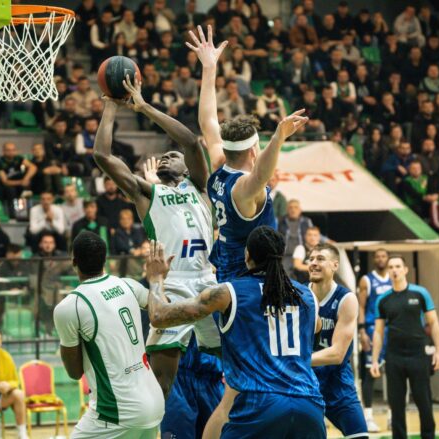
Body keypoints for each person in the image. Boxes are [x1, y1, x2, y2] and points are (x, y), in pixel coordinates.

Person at [93, 76, 223, 438]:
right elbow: (102, 156)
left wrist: (143, 106)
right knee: (160, 386)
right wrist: (110, 106)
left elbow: (190, 140)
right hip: (172, 285)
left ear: (186, 168)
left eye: (173, 156)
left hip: (210, 281)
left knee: (242, 369)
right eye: (164, 155)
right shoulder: (147, 193)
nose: (168, 155)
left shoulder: (199, 186)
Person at [146, 226, 326, 438]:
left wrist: (156, 279)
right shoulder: (308, 296)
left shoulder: (228, 292)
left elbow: (158, 316)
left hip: (259, 404)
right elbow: (314, 333)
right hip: (309, 404)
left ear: (247, 254)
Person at [190, 25, 307, 283]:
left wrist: (209, 68)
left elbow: (208, 120)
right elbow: (261, 175)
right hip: (248, 277)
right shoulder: (243, 187)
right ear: (254, 149)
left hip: (226, 267)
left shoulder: (220, 165)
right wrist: (277, 138)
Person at [53, 232, 164, 438]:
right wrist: (157, 280)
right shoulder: (128, 285)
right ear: (105, 259)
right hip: (154, 402)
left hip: (116, 412)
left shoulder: (70, 306)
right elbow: (163, 312)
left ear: (73, 261)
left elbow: (74, 372)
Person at [371, 255, 439, 439]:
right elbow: (378, 332)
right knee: (396, 406)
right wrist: (374, 360)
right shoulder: (383, 300)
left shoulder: (420, 293)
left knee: (424, 402)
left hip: (417, 355)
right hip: (394, 356)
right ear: (388, 271)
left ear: (405, 270)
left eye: (397, 266)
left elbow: (433, 323)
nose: (394, 270)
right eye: (391, 267)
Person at [309, 244, 368, 438]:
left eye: (320, 259)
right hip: (306, 381)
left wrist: (297, 359)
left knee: (360, 435)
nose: (314, 263)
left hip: (337, 380)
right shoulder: (299, 296)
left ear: (335, 265)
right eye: (311, 259)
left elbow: (337, 354)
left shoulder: (346, 299)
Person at [357, 248, 391, 432]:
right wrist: (362, 331)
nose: (380, 259)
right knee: (370, 373)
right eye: (377, 256)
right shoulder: (367, 280)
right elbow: (361, 307)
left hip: (391, 330)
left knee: (393, 373)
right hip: (371, 329)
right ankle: (368, 416)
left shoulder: (395, 278)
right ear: (373, 260)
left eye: (383, 256)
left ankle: (393, 417)